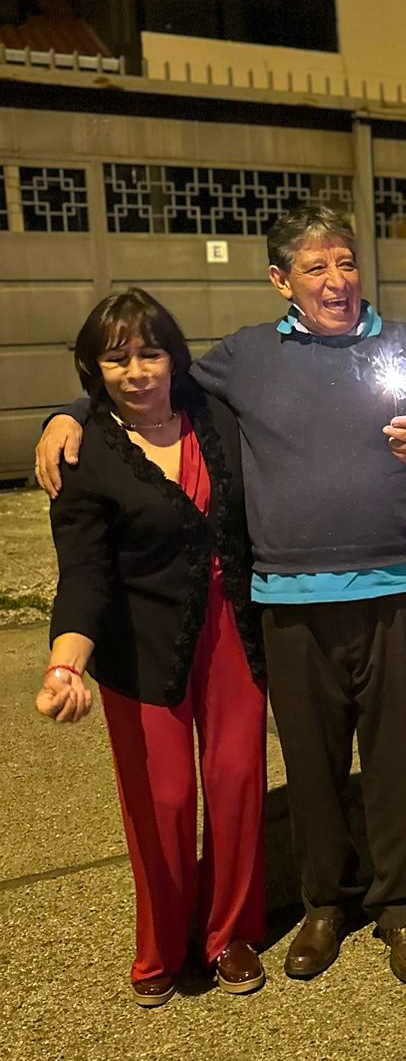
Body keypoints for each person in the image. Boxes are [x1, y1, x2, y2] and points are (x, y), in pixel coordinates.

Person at [34, 205, 406, 987]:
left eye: (345, 262)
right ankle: (326, 904)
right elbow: (147, 380)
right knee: (312, 765)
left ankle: (402, 907)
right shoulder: (246, 356)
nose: (336, 280)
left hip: (402, 586)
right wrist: (66, 414)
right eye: (315, 267)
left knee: (397, 761)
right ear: (281, 281)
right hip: (290, 598)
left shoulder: (403, 345)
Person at [37, 289, 266, 1008]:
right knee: (162, 800)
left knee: (236, 781)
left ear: (174, 357)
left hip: (233, 629)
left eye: (150, 353)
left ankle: (231, 934)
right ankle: (162, 947)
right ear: (93, 369)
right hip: (141, 643)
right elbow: (84, 574)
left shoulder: (214, 413)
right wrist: (65, 663)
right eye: (117, 360)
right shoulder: (85, 454)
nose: (137, 372)